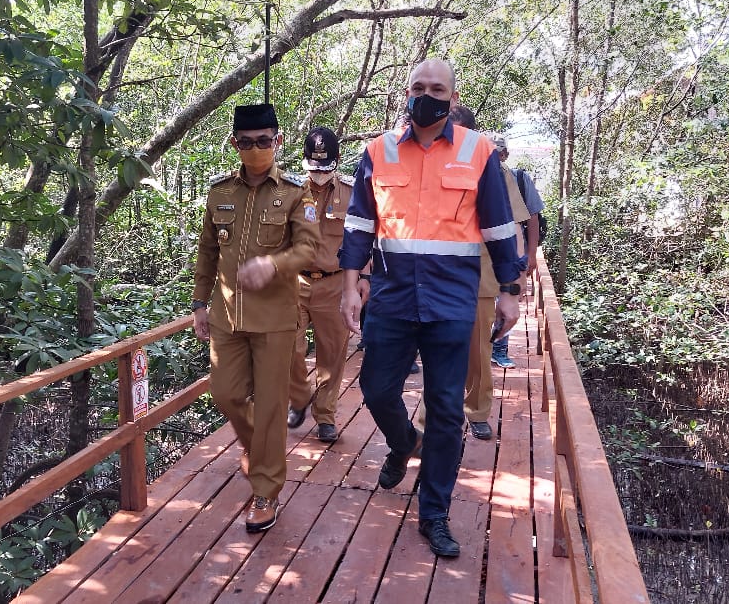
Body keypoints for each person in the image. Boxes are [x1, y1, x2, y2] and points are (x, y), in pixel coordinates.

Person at [339, 59, 525, 558]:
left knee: (446, 410)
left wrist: (510, 290)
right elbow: (359, 225)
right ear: (406, 92)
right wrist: (350, 286)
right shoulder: (378, 151)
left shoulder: (477, 151)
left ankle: (434, 513)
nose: (427, 95)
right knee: (376, 389)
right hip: (392, 299)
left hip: (451, 303)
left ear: (453, 96)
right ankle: (404, 442)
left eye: (437, 89)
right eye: (418, 87)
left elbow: (499, 227)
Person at [192, 103, 319, 533]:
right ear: (234, 144)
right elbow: (208, 251)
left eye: (264, 141)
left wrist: (274, 265)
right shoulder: (220, 192)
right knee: (225, 394)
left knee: (269, 409)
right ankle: (258, 450)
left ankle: (266, 491)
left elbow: (309, 249)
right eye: (246, 143)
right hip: (227, 316)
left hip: (275, 319)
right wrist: (199, 304)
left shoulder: (296, 193)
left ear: (278, 141)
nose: (255, 149)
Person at [412, 114, 531, 443]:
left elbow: (514, 226)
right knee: (436, 350)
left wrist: (515, 282)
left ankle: (477, 410)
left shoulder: (494, 168)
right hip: (434, 274)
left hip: (479, 274)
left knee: (478, 350)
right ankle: (427, 419)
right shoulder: (425, 164)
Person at [286, 127, 354, 443]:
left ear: (336, 161)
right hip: (295, 282)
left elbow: (362, 241)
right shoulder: (289, 192)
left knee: (332, 353)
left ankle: (325, 416)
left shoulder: (353, 193)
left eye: (325, 168)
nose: (319, 174)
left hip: (335, 284)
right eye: (314, 167)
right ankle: (299, 396)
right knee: (288, 348)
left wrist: (362, 281)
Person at [486, 132, 545, 369]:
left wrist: (531, 255)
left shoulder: (518, 178)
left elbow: (533, 218)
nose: (493, 157)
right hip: (483, 249)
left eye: (498, 153)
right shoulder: (476, 175)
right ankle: (481, 348)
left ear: (505, 154)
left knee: (507, 296)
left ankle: (499, 349)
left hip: (512, 247)